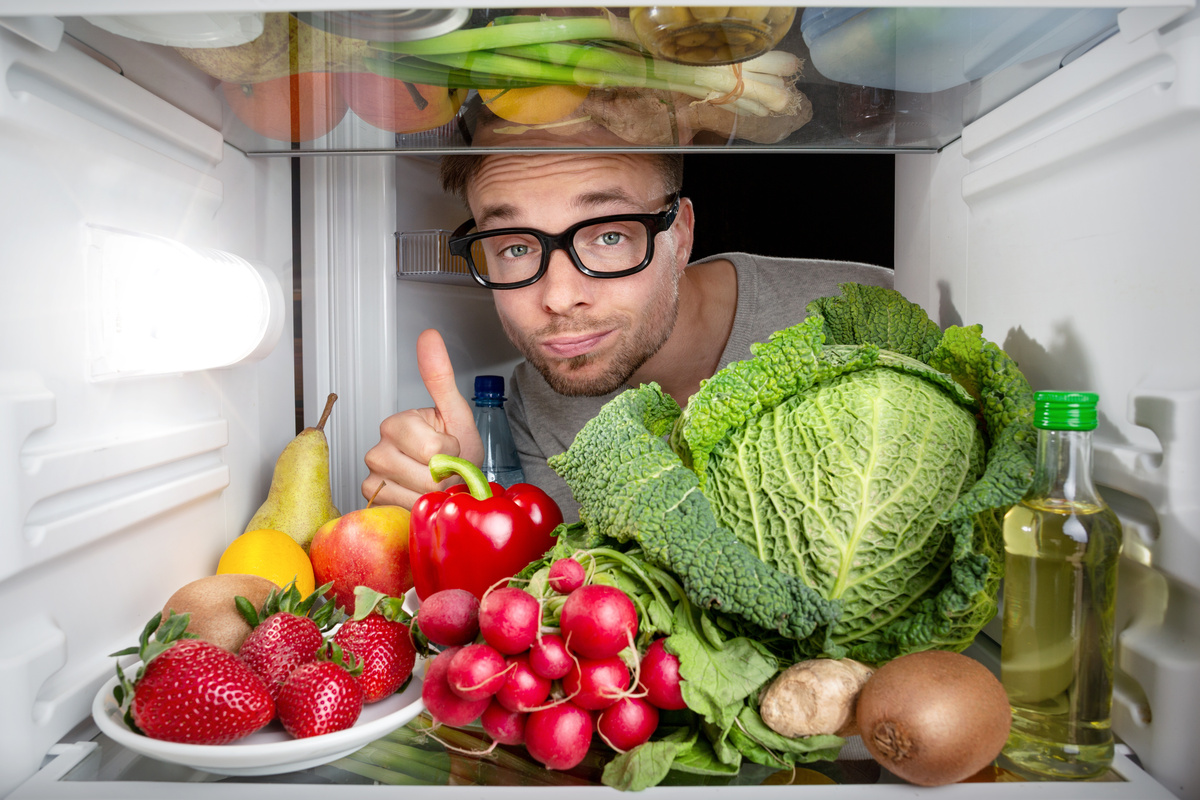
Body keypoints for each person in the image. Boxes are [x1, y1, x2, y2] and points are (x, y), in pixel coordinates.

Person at [362, 148, 893, 520]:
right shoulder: (523, 415)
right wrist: (462, 498)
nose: (558, 297)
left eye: (609, 235)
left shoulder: (869, 312)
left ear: (680, 236)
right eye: (515, 246)